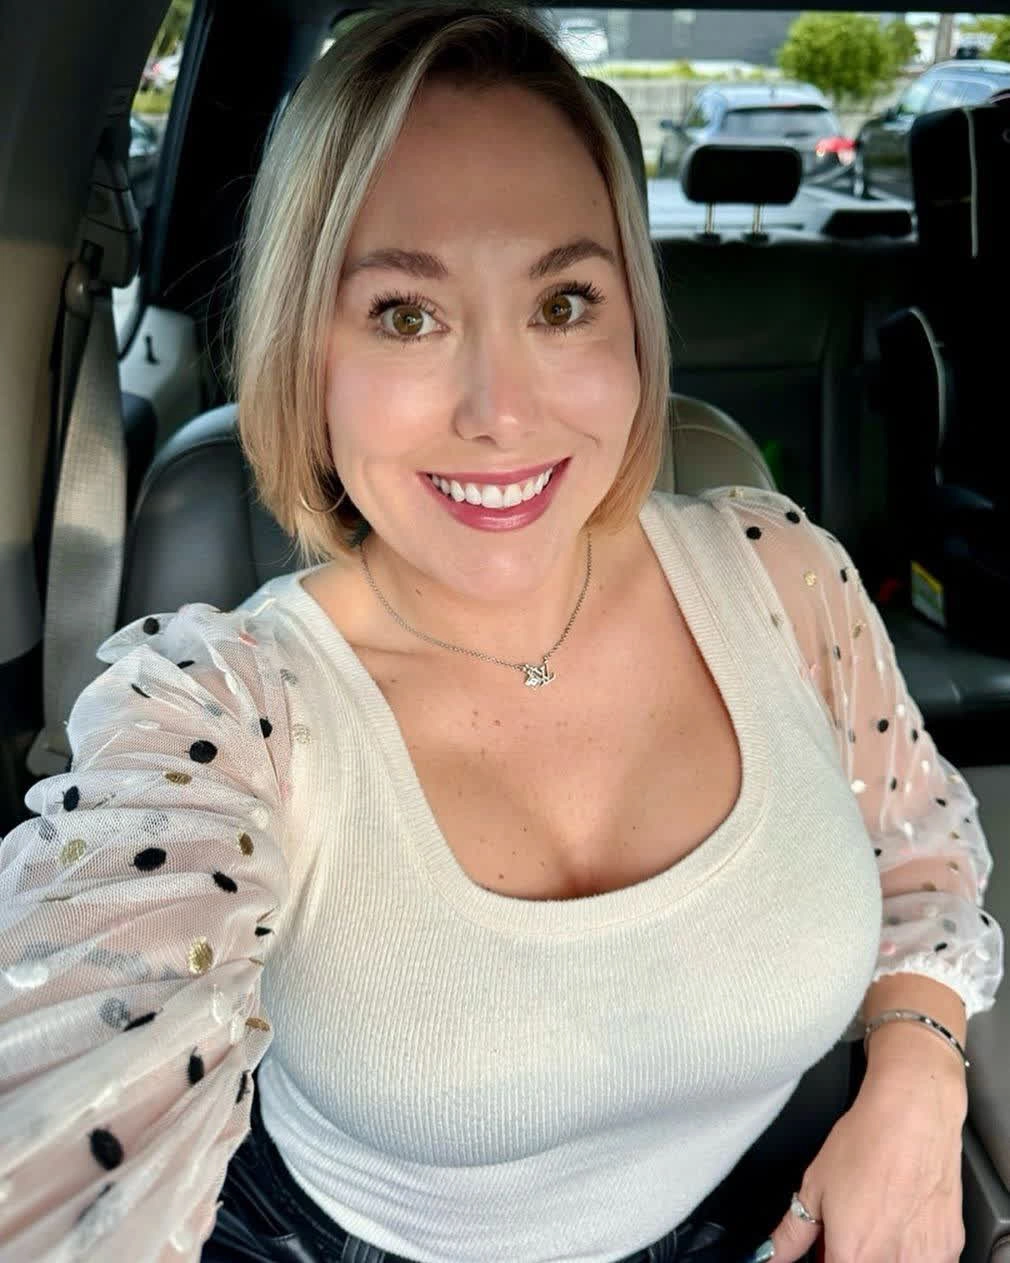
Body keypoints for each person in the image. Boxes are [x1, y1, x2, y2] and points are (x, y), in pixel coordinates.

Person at [0, 5, 1003, 1262]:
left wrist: (918, 1071)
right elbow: (65, 1107)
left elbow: (918, 850)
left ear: (633, 322)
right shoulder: (216, 715)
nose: (498, 413)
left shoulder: (781, 574)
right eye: (404, 314)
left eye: (563, 301)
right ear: (303, 349)